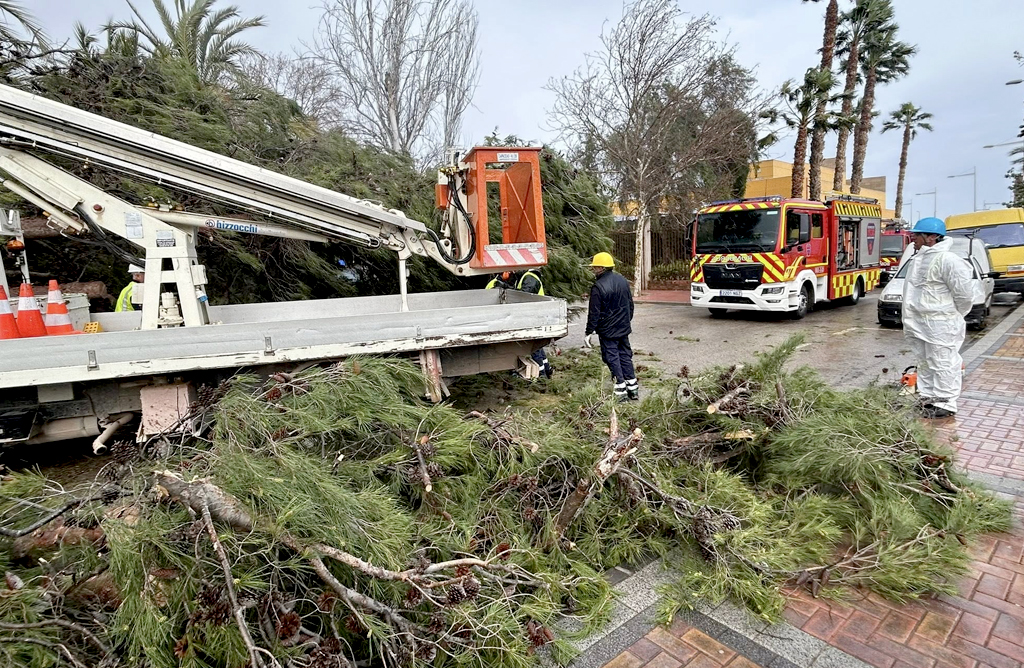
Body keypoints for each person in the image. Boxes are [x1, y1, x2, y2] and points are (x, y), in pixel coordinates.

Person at [901, 217, 974, 418]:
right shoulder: (918, 259)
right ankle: (928, 398)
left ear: (932, 237)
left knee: (943, 362)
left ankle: (946, 403)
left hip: (941, 325)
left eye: (917, 235)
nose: (913, 238)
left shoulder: (948, 260)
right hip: (919, 324)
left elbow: (964, 295)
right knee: (925, 362)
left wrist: (950, 315)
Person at [582, 252, 638, 401]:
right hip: (623, 328)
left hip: (607, 331)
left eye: (595, 267)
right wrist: (626, 321)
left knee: (612, 358)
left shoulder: (598, 287)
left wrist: (589, 332)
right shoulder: (623, 280)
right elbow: (630, 305)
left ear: (601, 267)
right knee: (625, 356)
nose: (593, 270)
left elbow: (594, 313)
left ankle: (620, 391)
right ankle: (633, 388)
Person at [486, 269, 553, 378]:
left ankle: (541, 376)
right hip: (534, 316)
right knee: (537, 346)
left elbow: (522, 296)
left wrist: (506, 287)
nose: (513, 272)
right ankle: (546, 370)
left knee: (533, 347)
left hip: (533, 317)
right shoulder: (526, 277)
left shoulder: (530, 278)